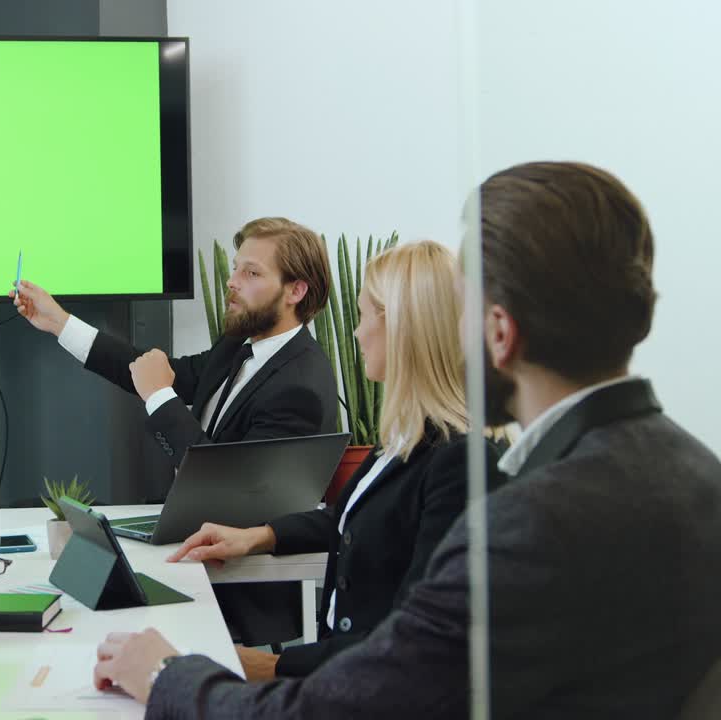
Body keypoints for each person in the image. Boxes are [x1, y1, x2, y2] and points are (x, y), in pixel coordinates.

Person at [92, 161, 721, 719]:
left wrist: (170, 676)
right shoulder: (694, 470)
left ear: (498, 332)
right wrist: (264, 536)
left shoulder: (532, 519)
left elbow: (359, 702)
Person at [166, 240, 505, 681]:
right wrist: (258, 536)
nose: (356, 333)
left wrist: (272, 665)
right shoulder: (406, 439)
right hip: (341, 677)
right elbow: (354, 520)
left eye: (365, 316)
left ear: (402, 327)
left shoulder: (459, 461)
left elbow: (419, 638)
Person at [12, 217, 338, 468]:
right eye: (236, 268)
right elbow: (159, 372)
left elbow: (230, 486)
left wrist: (159, 396)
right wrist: (58, 322)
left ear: (296, 291)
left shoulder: (299, 388)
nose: (231, 281)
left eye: (251, 273)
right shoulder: (240, 343)